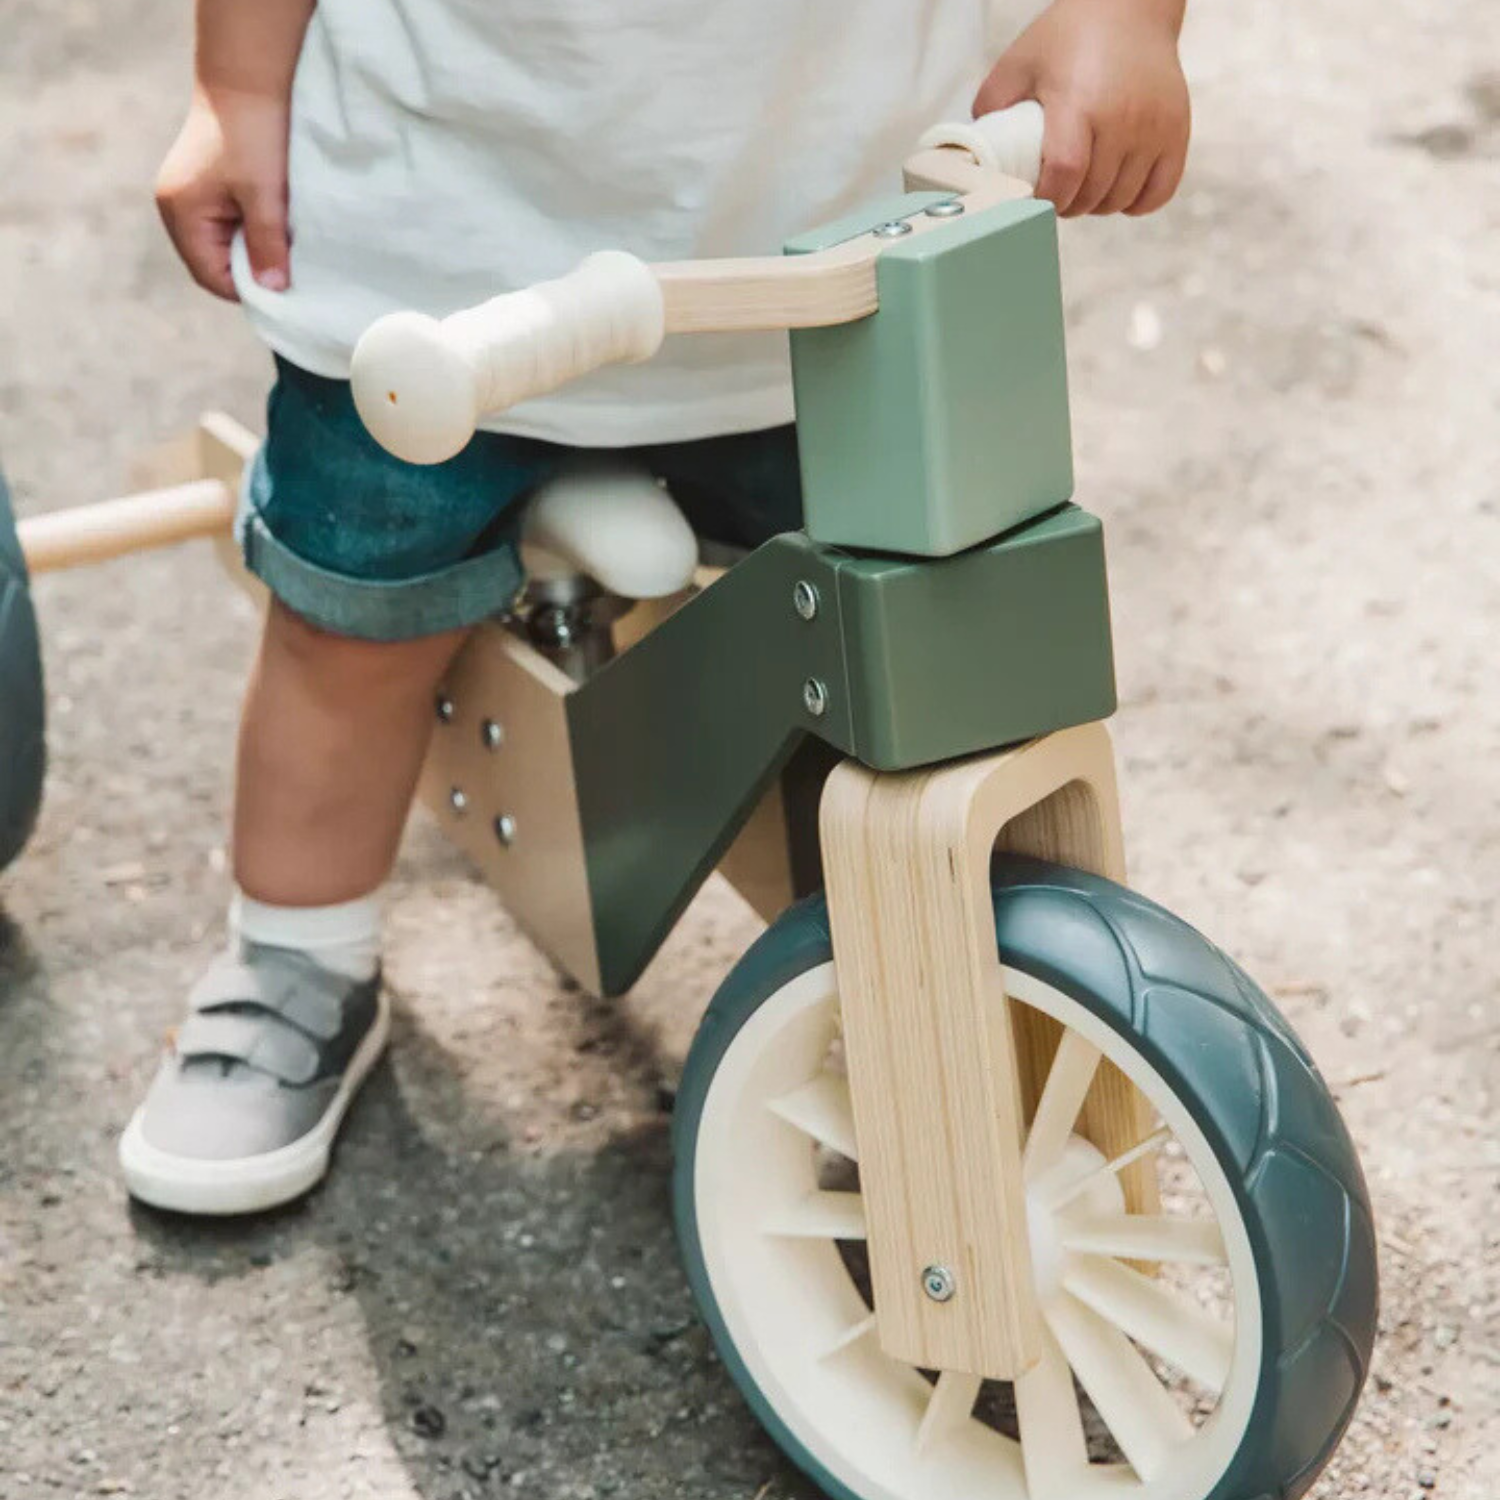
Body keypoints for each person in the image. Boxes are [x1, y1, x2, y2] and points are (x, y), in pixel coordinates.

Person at [120, 0, 1191, 1214]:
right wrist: (238, 91)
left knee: (898, 644)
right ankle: (296, 957)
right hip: (430, 262)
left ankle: (933, 995)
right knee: (350, 636)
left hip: (826, 259)